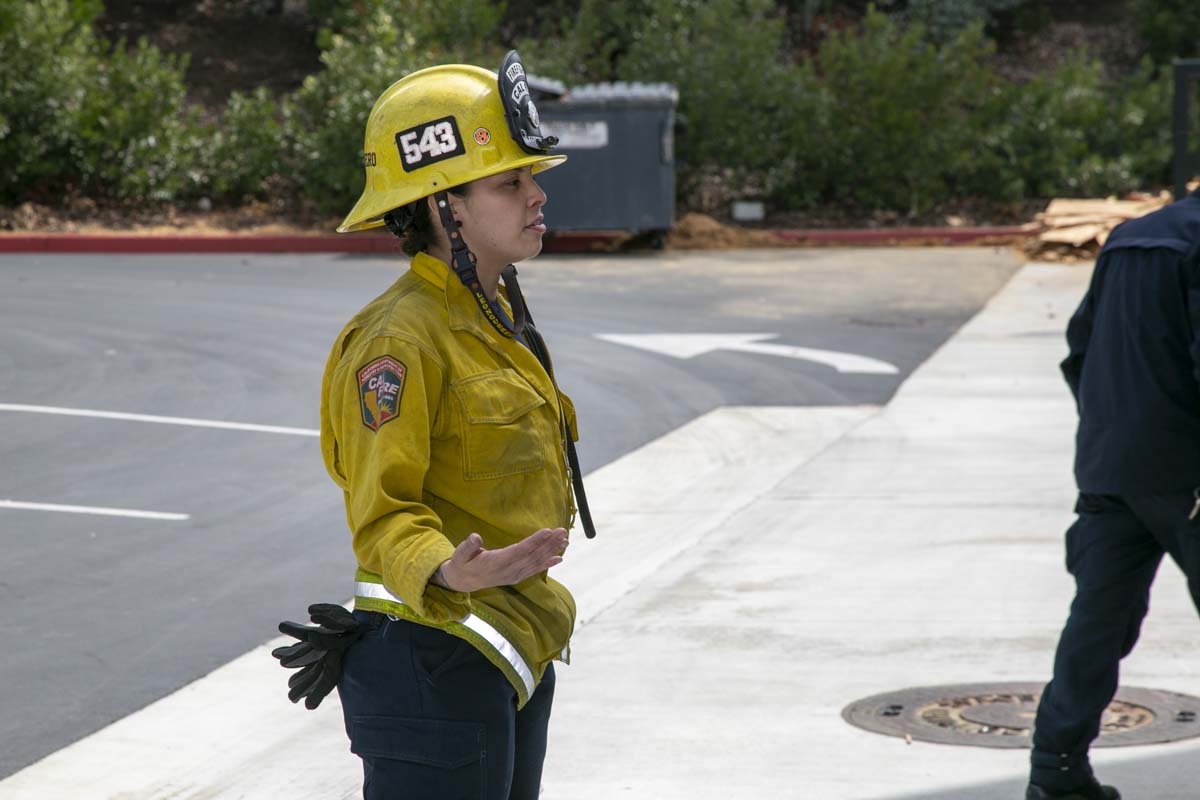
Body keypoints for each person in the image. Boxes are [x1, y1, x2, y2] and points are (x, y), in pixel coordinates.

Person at [278, 52, 593, 800]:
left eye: (530, 176)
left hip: (509, 642)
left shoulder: (494, 315)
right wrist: (449, 569)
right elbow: (383, 513)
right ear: (442, 205)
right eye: (510, 181)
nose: (537, 194)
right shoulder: (399, 342)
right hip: (432, 659)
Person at [1028, 188, 1200, 800]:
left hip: (1110, 469)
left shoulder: (1129, 238)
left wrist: (1111, 431)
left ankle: (1056, 772)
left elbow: (1081, 350)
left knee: (1096, 625)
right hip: (1186, 476)